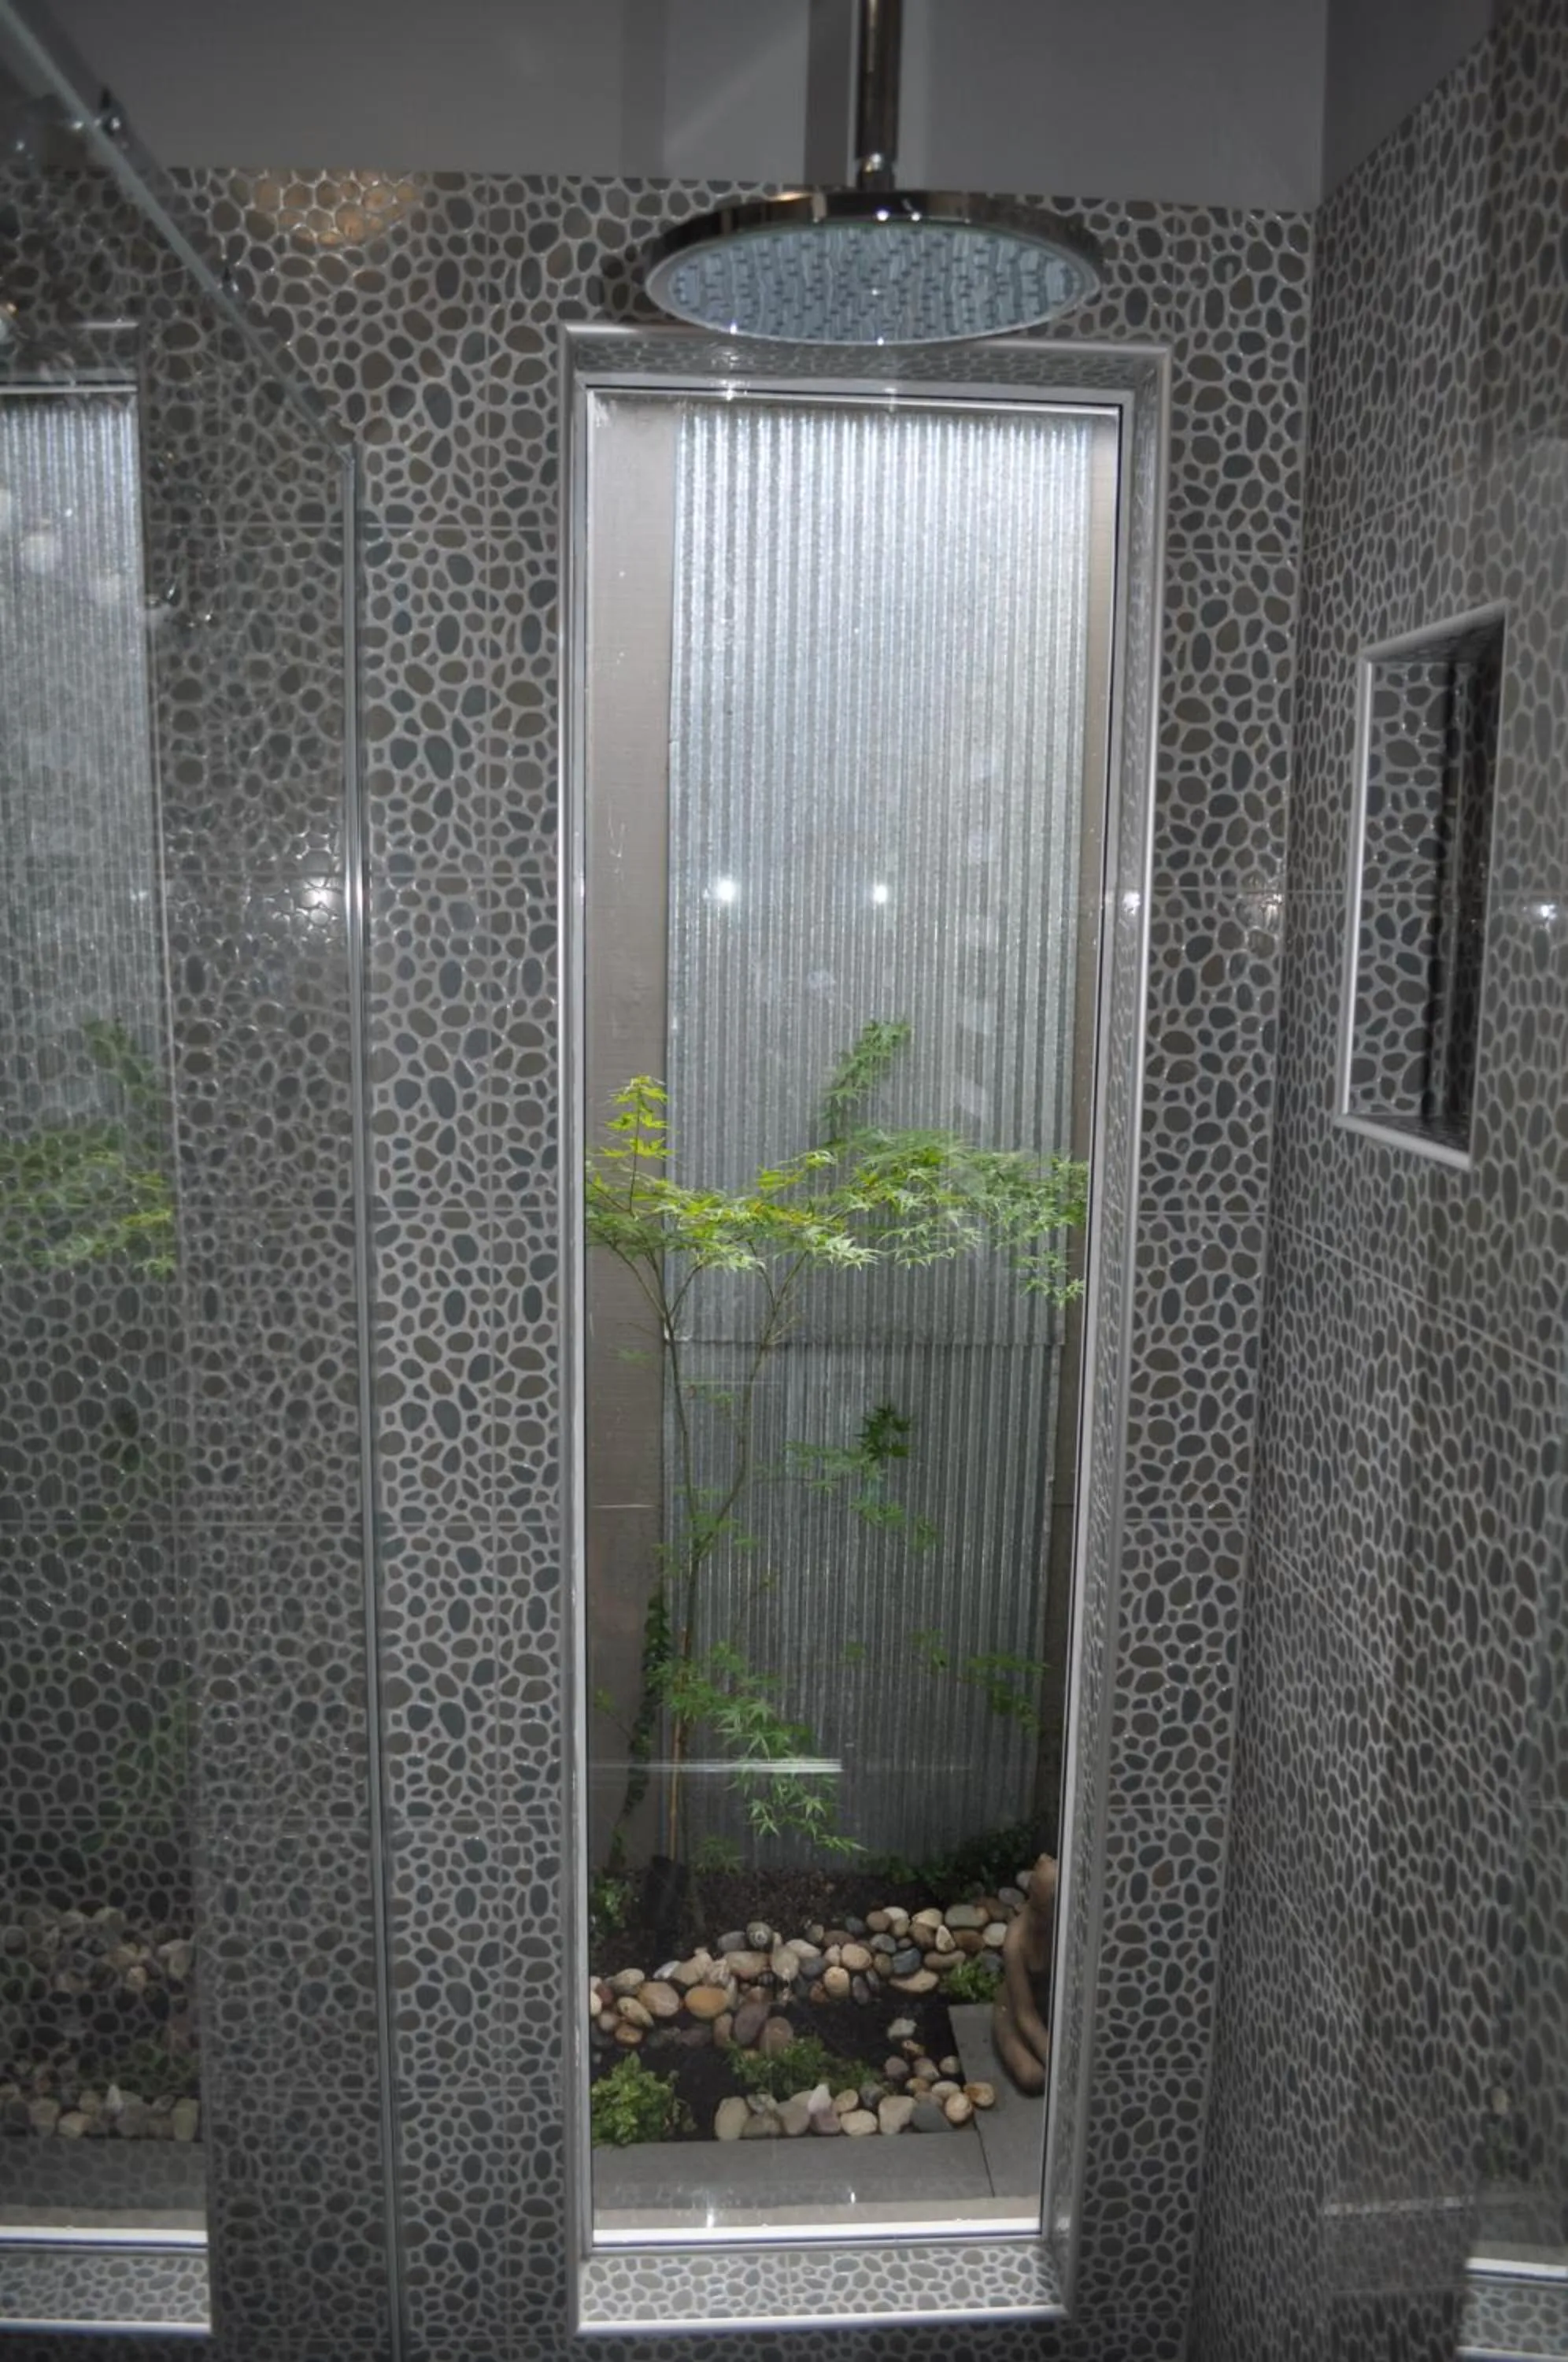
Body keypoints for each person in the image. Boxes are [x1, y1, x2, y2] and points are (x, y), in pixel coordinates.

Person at [992, 1852, 1056, 2094]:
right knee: (1033, 2076)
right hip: (1015, 2013)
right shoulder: (1016, 1941)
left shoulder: (1061, 1931)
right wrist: (1058, 2063)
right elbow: (1025, 2015)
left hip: (1047, 2014)